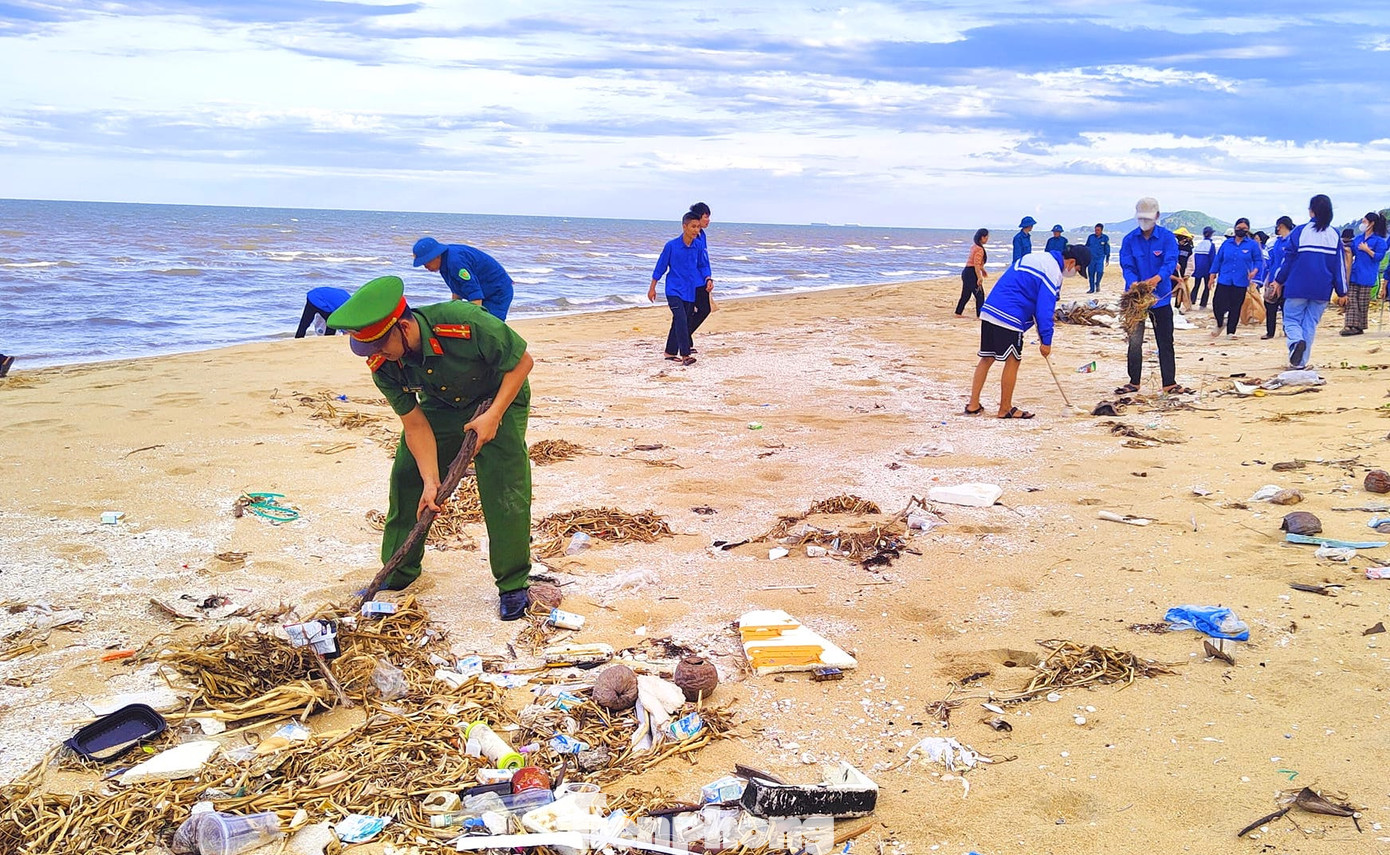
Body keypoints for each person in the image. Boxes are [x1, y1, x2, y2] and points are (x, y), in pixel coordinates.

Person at [326, 275, 535, 620]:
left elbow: (522, 362)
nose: (377, 355)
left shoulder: (464, 322)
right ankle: (399, 571)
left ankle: (513, 584)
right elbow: (415, 424)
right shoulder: (385, 366)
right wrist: (429, 480)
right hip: (443, 404)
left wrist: (494, 415)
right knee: (407, 476)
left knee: (504, 485)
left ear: (404, 328)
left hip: (500, 397)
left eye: (380, 346)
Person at [966, 244, 1091, 420]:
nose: (1074, 272)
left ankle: (973, 404)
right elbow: (1044, 310)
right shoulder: (1052, 271)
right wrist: (1046, 342)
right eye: (1077, 269)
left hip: (990, 309)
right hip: (1009, 315)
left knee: (987, 358)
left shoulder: (1037, 257)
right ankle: (1005, 408)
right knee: (1013, 360)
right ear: (1071, 262)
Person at [1115, 197, 1189, 395]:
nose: (1144, 221)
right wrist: (1133, 283)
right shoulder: (1129, 239)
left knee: (1165, 340)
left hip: (1161, 297)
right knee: (1134, 340)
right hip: (1136, 300)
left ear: (1157, 216)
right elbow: (1127, 265)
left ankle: (1169, 383)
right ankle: (1134, 382)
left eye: (1148, 217)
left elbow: (1170, 261)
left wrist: (1157, 278)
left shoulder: (1167, 238)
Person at [1272, 194, 1347, 369]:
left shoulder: (1300, 231)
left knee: (1291, 320)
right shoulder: (1334, 234)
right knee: (1310, 324)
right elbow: (1339, 265)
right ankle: (1300, 362)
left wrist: (1278, 280)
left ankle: (1296, 343)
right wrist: (1342, 291)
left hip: (1297, 286)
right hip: (1322, 289)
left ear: (1312, 211)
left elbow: (1288, 259)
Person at [647, 212, 710, 366]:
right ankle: (685, 355)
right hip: (673, 290)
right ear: (684, 226)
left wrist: (708, 278)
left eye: (697, 227)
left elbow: (703, 264)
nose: (696, 230)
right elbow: (660, 267)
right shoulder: (671, 246)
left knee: (680, 320)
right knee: (681, 318)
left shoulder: (698, 246)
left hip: (689, 291)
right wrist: (652, 288)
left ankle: (669, 352)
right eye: (693, 226)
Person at [411, 237, 516, 321]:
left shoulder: (455, 263)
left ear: (437, 256)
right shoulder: (443, 263)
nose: (425, 266)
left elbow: (475, 295)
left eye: (426, 262)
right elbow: (457, 291)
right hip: (485, 292)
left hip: (497, 292)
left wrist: (475, 320)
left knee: (490, 330)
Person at [1210, 217, 1261, 338]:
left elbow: (1258, 260)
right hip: (1224, 279)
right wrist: (1212, 275)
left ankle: (1231, 332)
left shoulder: (1252, 245)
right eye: (1239, 228)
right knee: (1217, 304)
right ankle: (1220, 323)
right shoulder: (1226, 243)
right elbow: (1218, 260)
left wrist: (1254, 271)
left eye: (1244, 229)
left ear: (1248, 230)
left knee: (1235, 306)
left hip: (1241, 280)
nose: (1241, 230)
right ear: (1234, 228)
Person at [1341, 212, 1388, 336]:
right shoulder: (1358, 238)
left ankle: (1359, 326)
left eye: (1364, 221)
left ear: (1371, 223)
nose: (1362, 224)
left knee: (1362, 302)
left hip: (1367, 275)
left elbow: (1379, 257)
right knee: (1351, 300)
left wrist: (1367, 250)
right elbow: (1352, 252)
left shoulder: (1379, 241)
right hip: (1355, 273)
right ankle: (1350, 325)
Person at [686, 203, 717, 348]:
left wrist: (708, 277)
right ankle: (683, 339)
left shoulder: (702, 236)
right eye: (706, 217)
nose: (708, 220)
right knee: (690, 311)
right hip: (690, 282)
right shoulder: (690, 238)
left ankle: (684, 337)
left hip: (701, 280)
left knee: (704, 309)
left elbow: (704, 260)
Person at [1261, 217, 1295, 340]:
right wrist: (1268, 279)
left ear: (1281, 226)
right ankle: (1270, 332)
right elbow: (1273, 262)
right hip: (1273, 278)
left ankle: (1288, 331)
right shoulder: (1277, 242)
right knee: (1270, 304)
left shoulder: (1292, 241)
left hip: (1288, 280)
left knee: (1287, 307)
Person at [955, 228, 989, 318]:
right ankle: (980, 315)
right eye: (986, 237)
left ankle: (958, 312)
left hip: (967, 272)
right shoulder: (979, 249)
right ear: (982, 237)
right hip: (971, 273)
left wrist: (983, 270)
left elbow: (975, 263)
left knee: (966, 295)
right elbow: (976, 264)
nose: (987, 239)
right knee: (980, 295)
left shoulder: (974, 247)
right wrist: (979, 277)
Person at [1191, 226, 1217, 309]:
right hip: (1207, 269)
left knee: (1196, 285)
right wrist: (1214, 271)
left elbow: (1194, 257)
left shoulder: (1199, 244)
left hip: (1198, 268)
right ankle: (1203, 304)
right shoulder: (1211, 245)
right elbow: (1213, 259)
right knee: (1206, 286)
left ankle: (1192, 301)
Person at [1172, 227, 1195, 311]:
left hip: (1182, 274)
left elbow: (1190, 263)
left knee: (1180, 292)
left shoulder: (1189, 250)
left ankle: (1177, 307)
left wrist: (1187, 274)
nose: (1179, 240)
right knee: (1171, 290)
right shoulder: (1175, 247)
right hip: (1173, 273)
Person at [1083, 224, 1110, 294]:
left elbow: (1107, 249)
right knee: (1091, 274)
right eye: (1095, 230)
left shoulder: (1105, 238)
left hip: (1100, 258)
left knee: (1100, 271)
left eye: (1098, 230)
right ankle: (1091, 289)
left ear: (1101, 230)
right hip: (1091, 258)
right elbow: (1086, 246)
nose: (1096, 231)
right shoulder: (1091, 237)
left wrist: (1107, 258)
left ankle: (1097, 283)